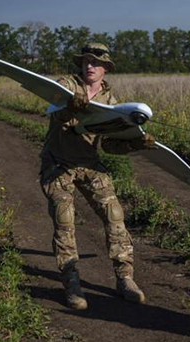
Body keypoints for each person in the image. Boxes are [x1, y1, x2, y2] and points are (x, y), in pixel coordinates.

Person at [39, 42, 157, 310]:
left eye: (96, 62)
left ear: (106, 68)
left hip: (89, 163)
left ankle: (125, 279)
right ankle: (72, 284)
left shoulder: (111, 101)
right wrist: (71, 106)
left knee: (114, 216)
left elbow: (109, 145)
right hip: (58, 164)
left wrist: (134, 144)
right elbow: (56, 116)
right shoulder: (66, 85)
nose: (90, 65)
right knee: (64, 220)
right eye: (86, 61)